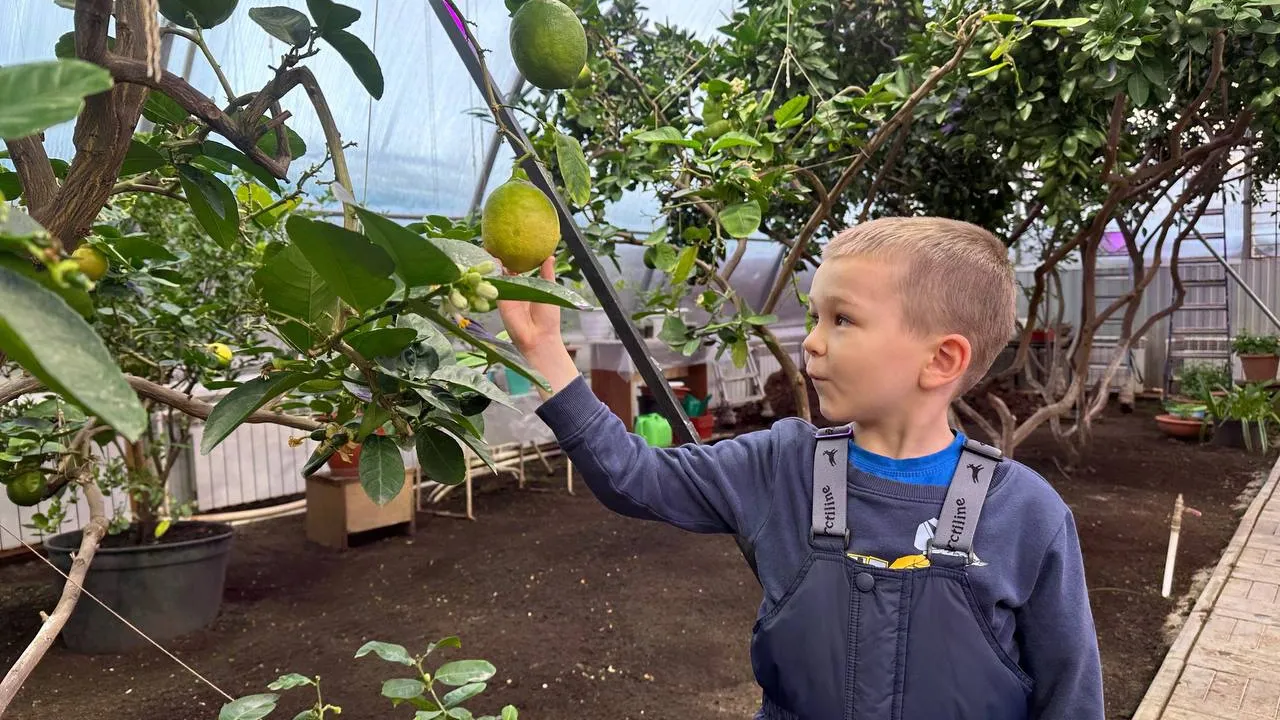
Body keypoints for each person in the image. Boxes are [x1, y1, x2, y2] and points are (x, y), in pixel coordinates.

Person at [496, 217, 1104, 719]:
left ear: (941, 359)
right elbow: (632, 477)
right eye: (814, 316)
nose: (811, 342)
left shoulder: (1027, 515)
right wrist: (547, 352)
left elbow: (1070, 698)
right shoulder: (782, 466)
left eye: (841, 319)